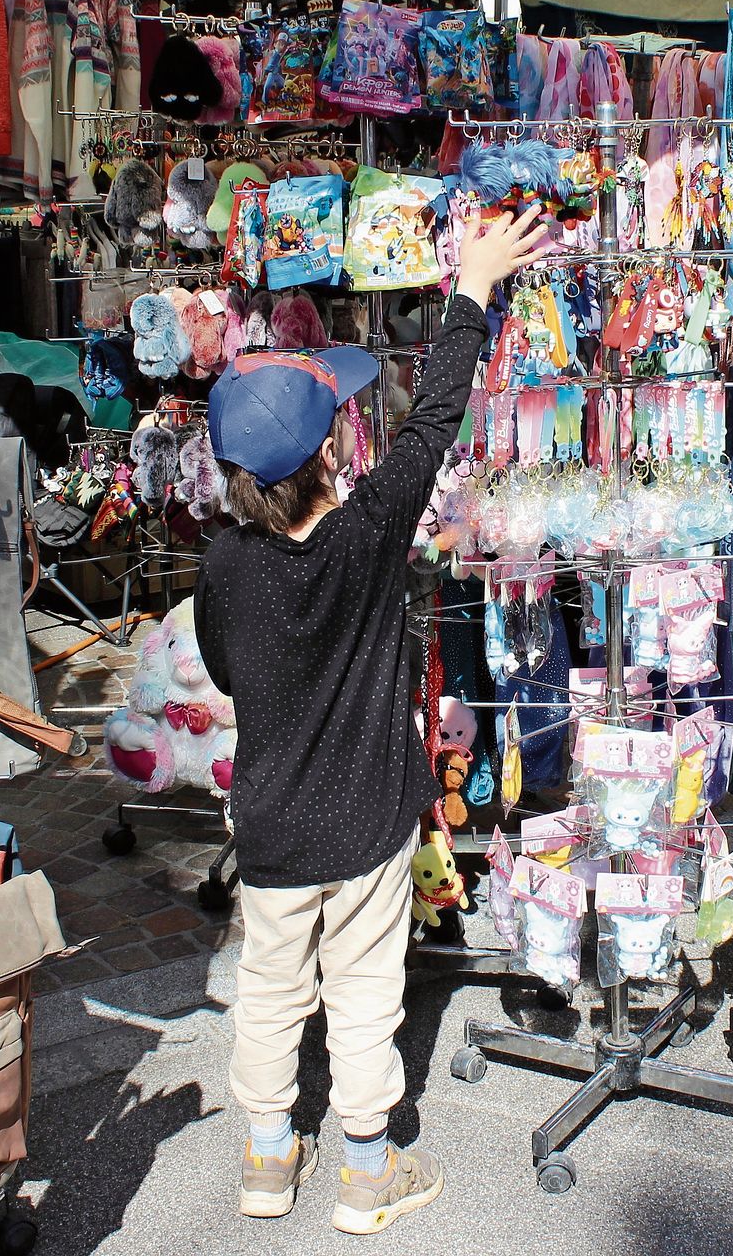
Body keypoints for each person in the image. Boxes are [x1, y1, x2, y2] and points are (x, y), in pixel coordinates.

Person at [193, 208, 544, 1236]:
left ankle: (266, 1163)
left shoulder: (222, 564)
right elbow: (432, 421)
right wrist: (471, 287)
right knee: (361, 998)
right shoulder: (365, 534)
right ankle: (362, 1172)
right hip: (365, 827)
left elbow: (224, 669)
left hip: (269, 827)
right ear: (323, 458)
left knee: (266, 994)